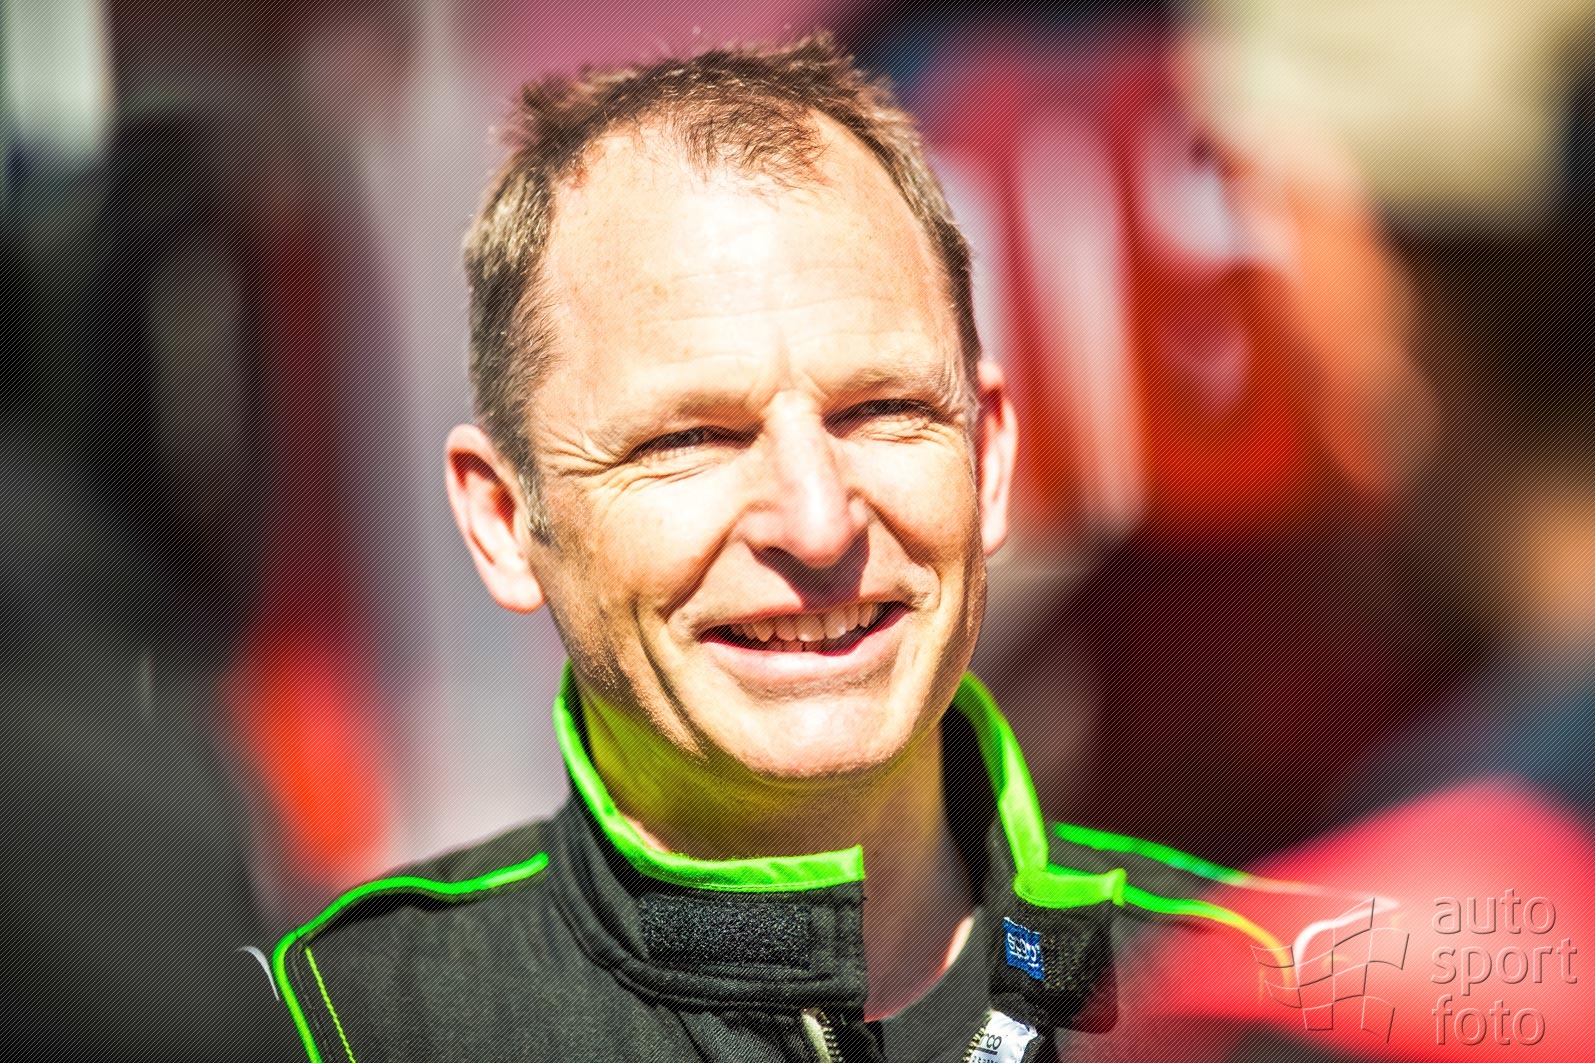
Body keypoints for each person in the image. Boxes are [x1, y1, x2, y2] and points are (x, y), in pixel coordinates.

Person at [266, 35, 1313, 1063]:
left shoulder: (1277, 995)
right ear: (504, 521)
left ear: (987, 456)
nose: (817, 525)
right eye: (689, 438)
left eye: (882, 409)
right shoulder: (328, 1024)